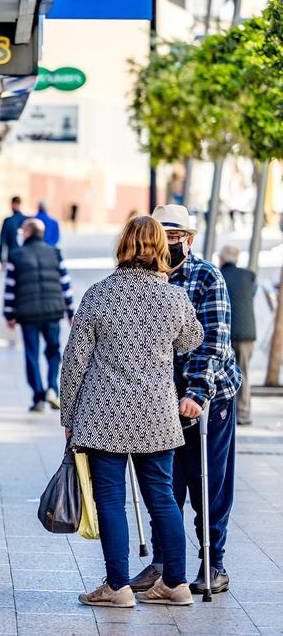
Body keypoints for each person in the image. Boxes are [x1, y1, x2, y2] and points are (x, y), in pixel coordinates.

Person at [61, 216, 202, 609]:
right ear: (163, 249)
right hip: (156, 414)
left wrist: (68, 419)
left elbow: (74, 362)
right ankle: (176, 583)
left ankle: (118, 587)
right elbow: (192, 339)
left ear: (122, 245)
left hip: (103, 413)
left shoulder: (99, 294)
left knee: (110, 498)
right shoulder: (173, 297)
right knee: (163, 498)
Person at [130, 204, 242, 596]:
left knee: (207, 482)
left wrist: (196, 391)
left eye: (174, 238)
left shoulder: (207, 277)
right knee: (165, 484)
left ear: (188, 240)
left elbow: (212, 344)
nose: (167, 245)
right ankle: (163, 563)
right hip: (162, 399)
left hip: (210, 398)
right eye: (162, 237)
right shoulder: (145, 280)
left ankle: (214, 563)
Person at [4, 218, 74, 413]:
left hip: (28, 315)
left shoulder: (16, 255)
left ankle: (38, 397)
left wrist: (8, 313)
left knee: (32, 355)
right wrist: (70, 311)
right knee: (53, 351)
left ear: (27, 233)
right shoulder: (55, 253)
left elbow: (10, 288)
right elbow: (65, 284)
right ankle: (53, 388)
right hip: (53, 311)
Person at [218, 245, 256, 426]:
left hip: (227, 334)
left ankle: (227, 414)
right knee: (245, 373)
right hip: (247, 334)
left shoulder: (218, 276)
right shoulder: (248, 275)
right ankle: (244, 413)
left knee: (225, 374)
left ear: (222, 259)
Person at [0, 196, 27, 263]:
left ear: (13, 204)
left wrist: (1, 259)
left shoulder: (8, 221)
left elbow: (2, 240)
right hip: (25, 257)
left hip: (12, 257)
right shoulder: (26, 220)